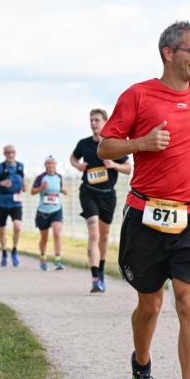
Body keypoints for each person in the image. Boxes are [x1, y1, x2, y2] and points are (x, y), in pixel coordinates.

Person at [98, 20, 190, 379]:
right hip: (147, 213)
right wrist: (140, 143)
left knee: (189, 301)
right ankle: (141, 364)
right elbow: (106, 146)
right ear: (168, 53)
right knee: (150, 304)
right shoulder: (137, 95)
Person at [70, 108, 132, 292]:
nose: (93, 123)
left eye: (97, 120)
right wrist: (78, 165)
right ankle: (95, 278)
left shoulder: (112, 145)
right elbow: (73, 158)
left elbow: (128, 168)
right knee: (94, 234)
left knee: (104, 236)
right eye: (91, 120)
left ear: (105, 122)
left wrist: (113, 165)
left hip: (107, 195)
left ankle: (101, 271)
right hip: (88, 192)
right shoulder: (84, 144)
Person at [0, 145, 26, 267]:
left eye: (12, 152)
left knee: (18, 227)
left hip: (16, 202)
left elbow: (23, 180)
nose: (10, 155)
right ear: (4, 154)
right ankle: (4, 252)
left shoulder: (20, 166)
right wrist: (1, 183)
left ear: (15, 153)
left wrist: (24, 186)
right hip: (1, 203)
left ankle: (14, 251)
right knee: (2, 230)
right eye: (8, 152)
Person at [30, 156, 66, 272]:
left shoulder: (59, 177)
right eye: (48, 163)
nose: (51, 165)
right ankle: (43, 258)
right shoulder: (40, 177)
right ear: (45, 165)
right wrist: (41, 187)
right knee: (44, 238)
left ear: (55, 165)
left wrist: (63, 190)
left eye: (52, 163)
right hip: (43, 212)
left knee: (57, 233)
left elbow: (60, 188)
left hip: (56, 210)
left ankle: (58, 259)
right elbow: (32, 192)